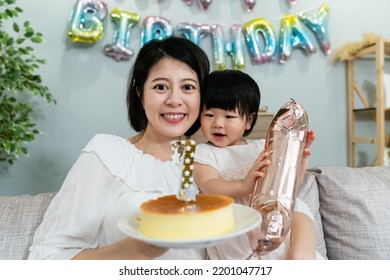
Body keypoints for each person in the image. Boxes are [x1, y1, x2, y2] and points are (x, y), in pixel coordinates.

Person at [28, 36, 211, 260]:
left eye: (188, 87)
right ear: (139, 93)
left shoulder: (208, 165)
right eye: (161, 86)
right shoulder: (108, 155)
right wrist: (132, 250)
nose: (174, 100)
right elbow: (46, 258)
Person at [193, 69, 320, 260]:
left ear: (248, 120)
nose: (218, 123)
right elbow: (208, 186)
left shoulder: (262, 146)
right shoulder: (204, 153)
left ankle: (302, 258)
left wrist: (299, 158)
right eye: (209, 115)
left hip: (277, 213)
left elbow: (289, 184)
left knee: (300, 219)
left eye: (229, 117)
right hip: (240, 224)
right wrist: (243, 185)